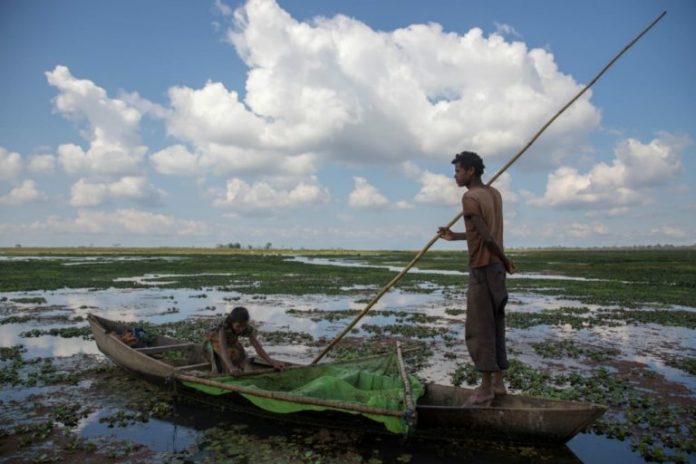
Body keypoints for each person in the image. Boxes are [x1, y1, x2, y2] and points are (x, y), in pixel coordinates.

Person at [437, 151, 515, 406]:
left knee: (480, 328)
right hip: (496, 270)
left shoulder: (469, 197)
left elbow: (487, 237)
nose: (456, 176)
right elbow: (479, 233)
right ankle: (499, 383)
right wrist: (454, 236)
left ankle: (485, 389)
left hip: (483, 268)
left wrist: (504, 258)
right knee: (496, 323)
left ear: (471, 170)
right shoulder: (494, 194)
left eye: (459, 170)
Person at [205, 306, 284, 375]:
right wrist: (231, 367)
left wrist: (272, 363)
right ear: (232, 322)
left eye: (243, 326)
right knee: (225, 360)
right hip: (214, 342)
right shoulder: (223, 326)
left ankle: (238, 370)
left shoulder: (246, 327)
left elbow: (257, 347)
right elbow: (223, 348)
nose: (241, 329)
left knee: (242, 355)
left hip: (231, 341)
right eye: (238, 326)